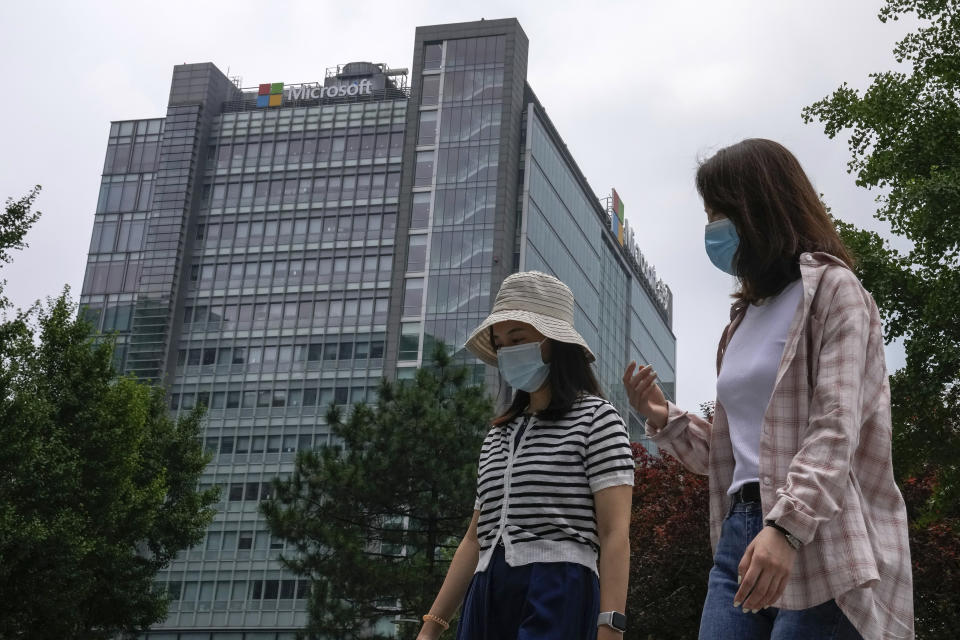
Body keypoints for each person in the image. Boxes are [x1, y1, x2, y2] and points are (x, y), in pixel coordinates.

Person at [623, 138, 914, 639]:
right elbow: (733, 457)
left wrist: (785, 528)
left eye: (719, 213)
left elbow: (834, 427)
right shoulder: (740, 322)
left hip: (819, 530)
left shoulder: (833, 289)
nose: (711, 230)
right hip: (738, 531)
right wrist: (664, 416)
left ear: (760, 208)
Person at [415, 271, 634, 640]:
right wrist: (431, 628)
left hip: (558, 588)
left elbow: (615, 533)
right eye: (500, 344)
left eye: (518, 339)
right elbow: (475, 539)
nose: (507, 352)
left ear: (555, 342)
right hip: (486, 593)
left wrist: (610, 627)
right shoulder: (498, 435)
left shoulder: (598, 418)